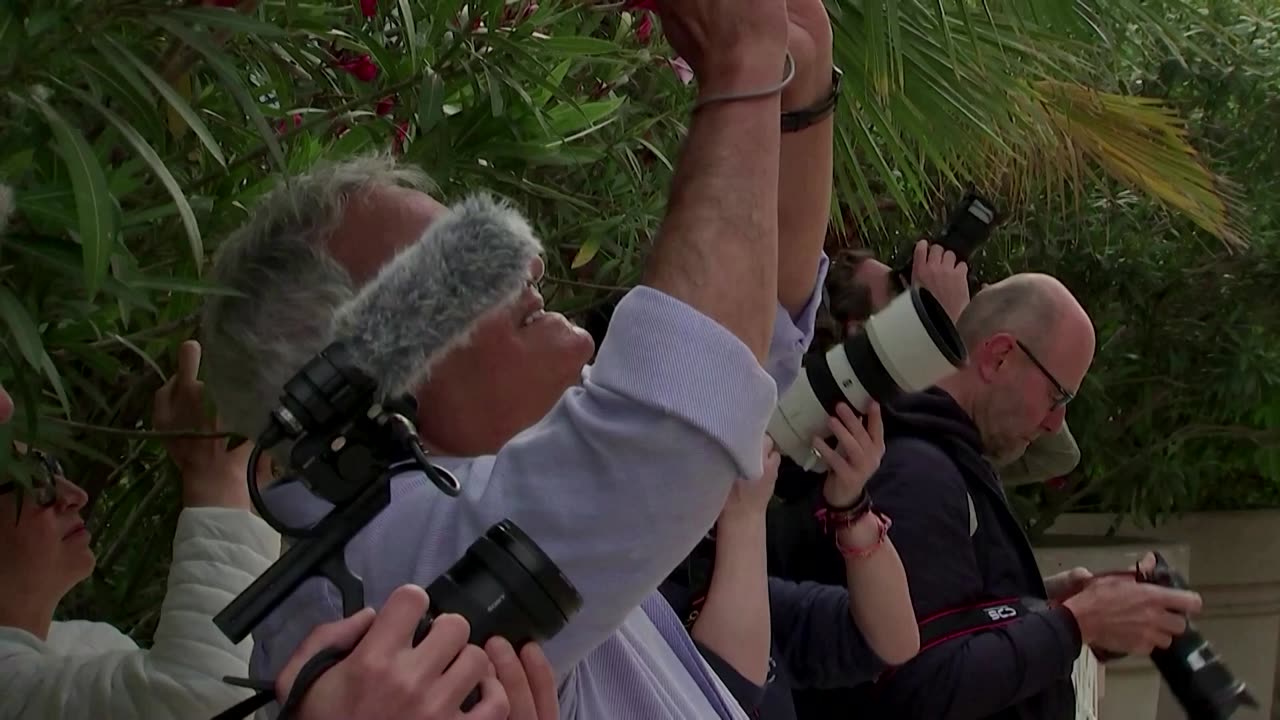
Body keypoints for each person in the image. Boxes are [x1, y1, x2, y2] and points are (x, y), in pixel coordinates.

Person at [199, 1, 837, 718]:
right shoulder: (384, 572)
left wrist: (799, 85)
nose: (526, 263)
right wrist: (743, 68)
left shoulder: (493, 491)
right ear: (355, 384)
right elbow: (684, 414)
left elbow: (752, 340)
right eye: (458, 270)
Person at [775, 275, 1204, 720]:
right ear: (999, 358)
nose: (1056, 423)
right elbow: (919, 685)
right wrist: (1076, 622)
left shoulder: (946, 456)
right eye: (1057, 396)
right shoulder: (918, 474)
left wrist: (1045, 604)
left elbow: (957, 617)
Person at [0, 342, 281, 720]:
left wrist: (246, 486)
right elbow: (196, 700)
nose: (74, 496)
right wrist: (216, 480)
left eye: (53, 467)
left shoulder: (89, 641)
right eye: (34, 479)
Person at [662, 408, 917, 720]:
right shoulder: (629, 609)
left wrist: (850, 507)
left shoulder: (715, 587)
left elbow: (891, 643)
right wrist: (743, 515)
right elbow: (731, 691)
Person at [821, 240, 1081, 485]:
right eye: (899, 293)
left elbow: (1061, 455)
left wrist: (989, 323)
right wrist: (954, 336)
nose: (916, 301)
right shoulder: (866, 430)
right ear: (858, 334)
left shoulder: (970, 434)